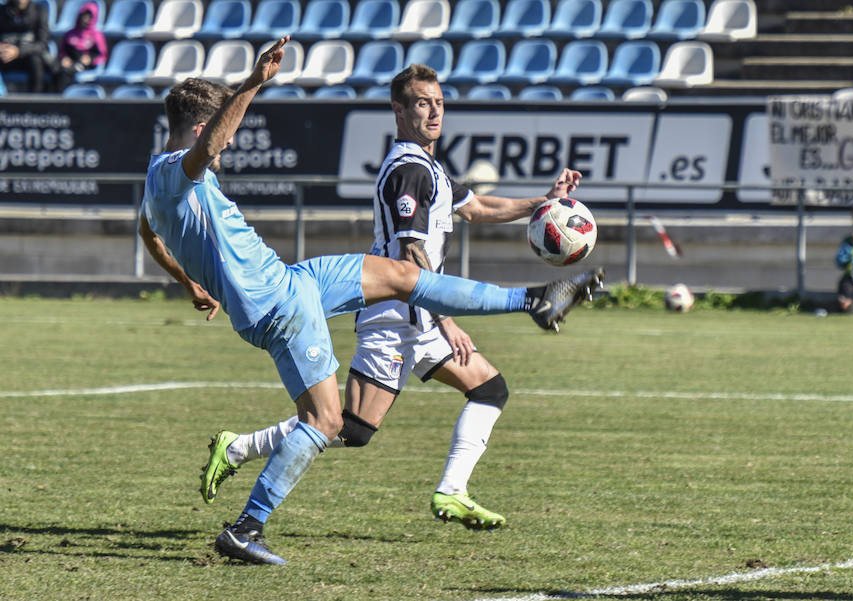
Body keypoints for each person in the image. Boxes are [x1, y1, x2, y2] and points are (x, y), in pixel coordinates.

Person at [140, 36, 602, 565]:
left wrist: (186, 281)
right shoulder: (182, 169)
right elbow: (207, 151)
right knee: (330, 424)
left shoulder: (158, 183)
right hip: (276, 306)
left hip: (295, 279)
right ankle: (246, 528)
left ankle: (536, 300)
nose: (223, 148)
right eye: (217, 136)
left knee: (404, 277)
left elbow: (146, 232)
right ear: (202, 131)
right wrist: (252, 84)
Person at [54, 1, 107, 93]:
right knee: (56, 70)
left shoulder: (96, 36)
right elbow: (63, 51)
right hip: (68, 64)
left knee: (66, 74)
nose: (86, 20)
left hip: (83, 66)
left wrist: (90, 59)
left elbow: (102, 55)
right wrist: (64, 58)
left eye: (89, 17)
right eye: (84, 16)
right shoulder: (70, 34)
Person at [0, 0, 50, 93]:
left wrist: (18, 51)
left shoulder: (39, 10)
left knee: (35, 61)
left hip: (28, 55)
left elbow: (42, 44)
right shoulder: (2, 11)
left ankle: (34, 102)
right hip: (5, 56)